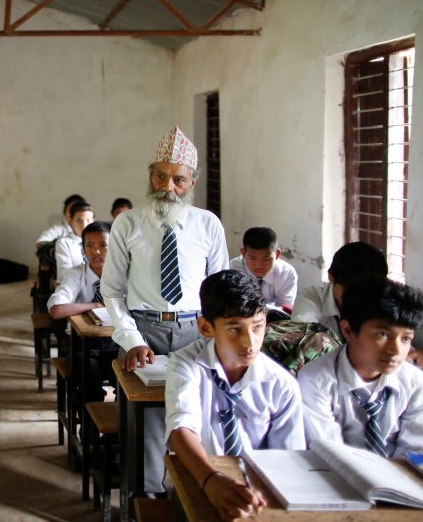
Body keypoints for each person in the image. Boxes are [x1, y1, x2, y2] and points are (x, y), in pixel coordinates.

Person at [101, 125, 229, 494]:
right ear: (149, 175)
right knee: (148, 426)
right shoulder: (128, 223)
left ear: (192, 183)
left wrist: (215, 336)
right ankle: (148, 500)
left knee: (198, 418)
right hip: (145, 332)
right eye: (160, 175)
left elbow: (219, 288)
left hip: (196, 331)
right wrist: (131, 339)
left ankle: (195, 497)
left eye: (178, 179)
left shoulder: (208, 224)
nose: (167, 187)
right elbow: (111, 291)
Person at [166, 270, 304, 521]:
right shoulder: (187, 364)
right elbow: (181, 428)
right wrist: (211, 480)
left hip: (261, 494)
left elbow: (288, 461)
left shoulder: (281, 385)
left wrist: (253, 498)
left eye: (257, 327)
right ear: (206, 327)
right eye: (234, 330)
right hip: (199, 477)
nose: (249, 342)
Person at [297, 276, 423, 458]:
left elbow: (417, 455)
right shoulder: (315, 381)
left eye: (406, 339)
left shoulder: (417, 385)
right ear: (347, 330)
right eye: (382, 335)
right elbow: (329, 453)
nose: (396, 350)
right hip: (337, 477)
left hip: (400, 480)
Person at [291, 241, 423, 367]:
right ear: (331, 277)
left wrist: (421, 356)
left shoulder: (384, 303)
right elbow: (306, 344)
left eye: (366, 292)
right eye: (350, 292)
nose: (358, 299)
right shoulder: (311, 299)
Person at [48, 221, 117, 401]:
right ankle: (89, 428)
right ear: (83, 249)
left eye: (103, 245)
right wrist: (93, 306)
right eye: (90, 246)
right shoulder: (75, 274)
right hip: (80, 342)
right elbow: (56, 310)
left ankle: (117, 428)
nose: (96, 252)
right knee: (89, 382)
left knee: (125, 383)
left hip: (116, 341)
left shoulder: (124, 276)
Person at [229, 226, 297, 310]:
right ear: (243, 253)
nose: (259, 265)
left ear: (277, 254)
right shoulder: (234, 269)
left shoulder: (286, 273)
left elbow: (285, 310)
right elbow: (235, 305)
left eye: (266, 259)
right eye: (252, 258)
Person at [54, 201, 94, 278]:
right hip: (75, 286)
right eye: (79, 220)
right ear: (70, 222)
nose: (84, 225)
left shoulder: (100, 241)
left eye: (88, 220)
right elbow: (65, 274)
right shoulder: (64, 243)